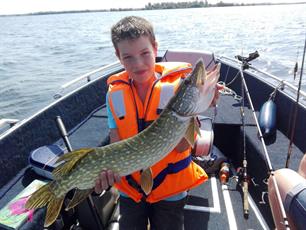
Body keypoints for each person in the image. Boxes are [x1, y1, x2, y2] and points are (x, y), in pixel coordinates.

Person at [94, 16, 221, 230]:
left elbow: (182, 146)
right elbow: (117, 143)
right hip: (130, 190)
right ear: (118, 56)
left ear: (155, 47)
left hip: (170, 191)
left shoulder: (175, 89)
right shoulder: (114, 95)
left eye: (145, 53)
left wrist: (196, 111)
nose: (138, 63)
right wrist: (106, 176)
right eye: (128, 57)